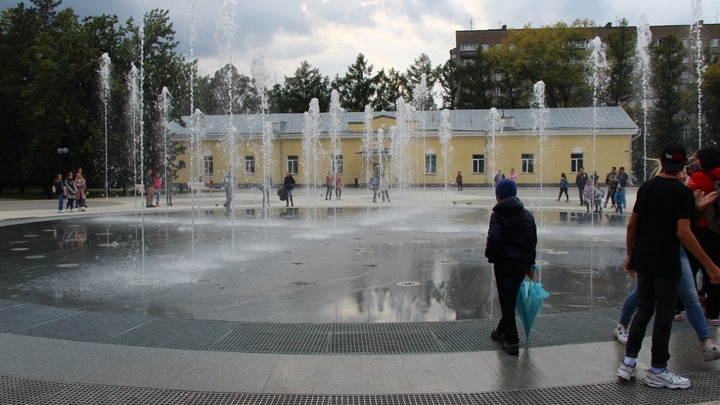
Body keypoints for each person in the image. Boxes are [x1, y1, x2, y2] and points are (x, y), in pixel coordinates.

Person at [616, 142, 720, 389]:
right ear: (684, 165)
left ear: (661, 163)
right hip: (667, 260)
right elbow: (683, 233)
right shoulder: (682, 192)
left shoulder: (647, 188)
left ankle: (628, 363)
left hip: (645, 257)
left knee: (644, 309)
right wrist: (710, 266)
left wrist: (630, 255)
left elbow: (633, 225)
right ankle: (658, 369)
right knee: (664, 313)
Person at [485, 178, 537, 356]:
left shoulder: (498, 215)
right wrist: (531, 265)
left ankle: (512, 342)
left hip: (504, 264)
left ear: (498, 196)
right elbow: (532, 242)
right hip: (521, 264)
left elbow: (494, 238)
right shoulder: (528, 215)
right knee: (510, 299)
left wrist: (491, 256)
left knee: (506, 302)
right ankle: (500, 332)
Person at [688, 145, 720, 327]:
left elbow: (688, 201)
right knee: (714, 270)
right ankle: (714, 313)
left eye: (697, 158)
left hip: (698, 230)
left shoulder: (697, 177)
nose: (695, 161)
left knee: (689, 269)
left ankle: (679, 308)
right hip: (717, 232)